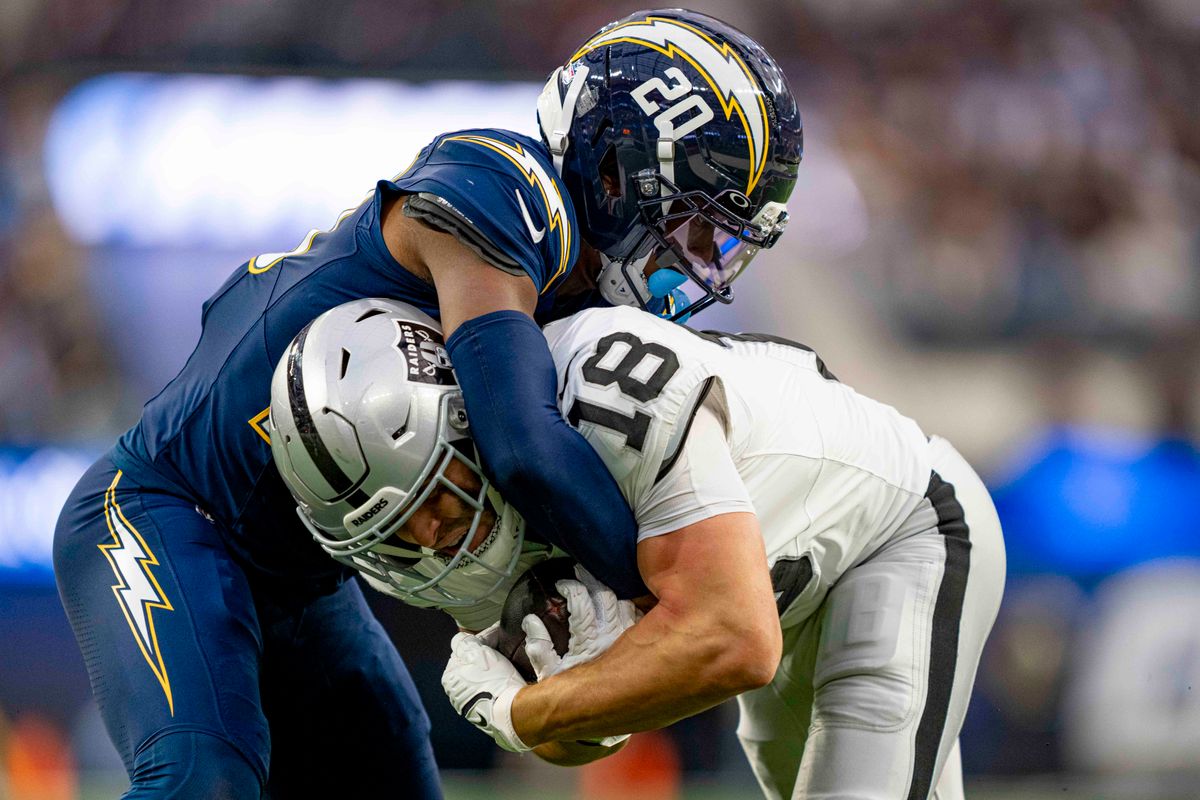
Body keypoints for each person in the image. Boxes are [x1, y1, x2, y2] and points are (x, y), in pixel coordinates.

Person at [51, 8, 803, 797]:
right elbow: (524, 447)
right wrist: (669, 584)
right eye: (691, 225)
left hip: (303, 575)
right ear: (614, 170)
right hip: (161, 511)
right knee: (202, 780)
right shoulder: (504, 185)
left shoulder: (573, 308)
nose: (700, 267)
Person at [270, 298, 1005, 798]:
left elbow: (735, 642)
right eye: (394, 534)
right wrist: (556, 700)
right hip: (793, 594)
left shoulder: (598, 388)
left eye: (435, 497)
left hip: (902, 528)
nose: (432, 538)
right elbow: (593, 727)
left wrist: (523, 714)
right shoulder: (472, 520)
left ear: (460, 415)